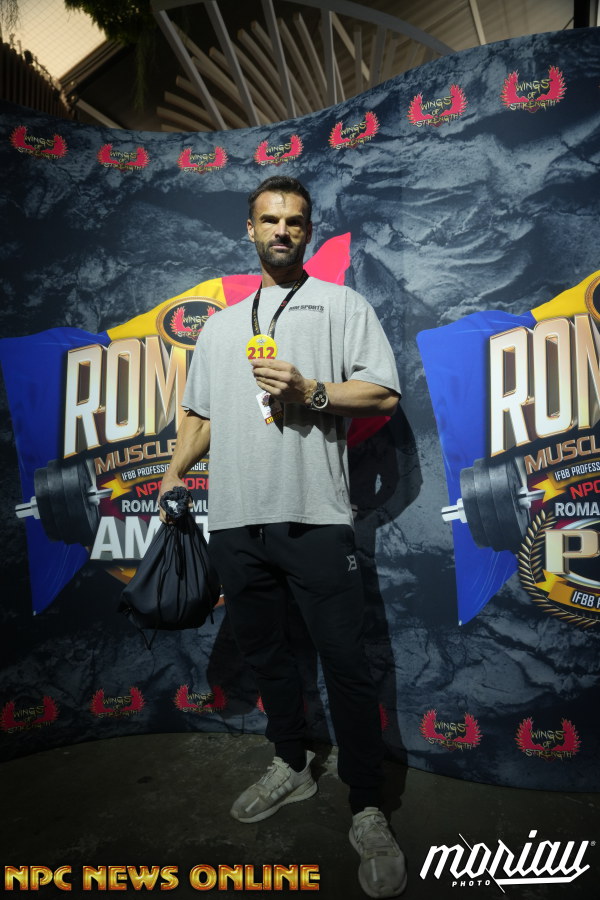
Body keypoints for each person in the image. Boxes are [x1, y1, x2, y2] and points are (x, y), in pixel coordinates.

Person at [159, 175, 406, 898]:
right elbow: (201, 416)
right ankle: (291, 764)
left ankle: (367, 806)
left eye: (294, 221)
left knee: (346, 666)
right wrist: (173, 474)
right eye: (269, 220)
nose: (281, 231)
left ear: (308, 231)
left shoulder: (341, 305)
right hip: (237, 520)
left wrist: (312, 391)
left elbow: (384, 392)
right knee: (267, 656)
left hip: (316, 517)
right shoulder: (220, 327)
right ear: (250, 229)